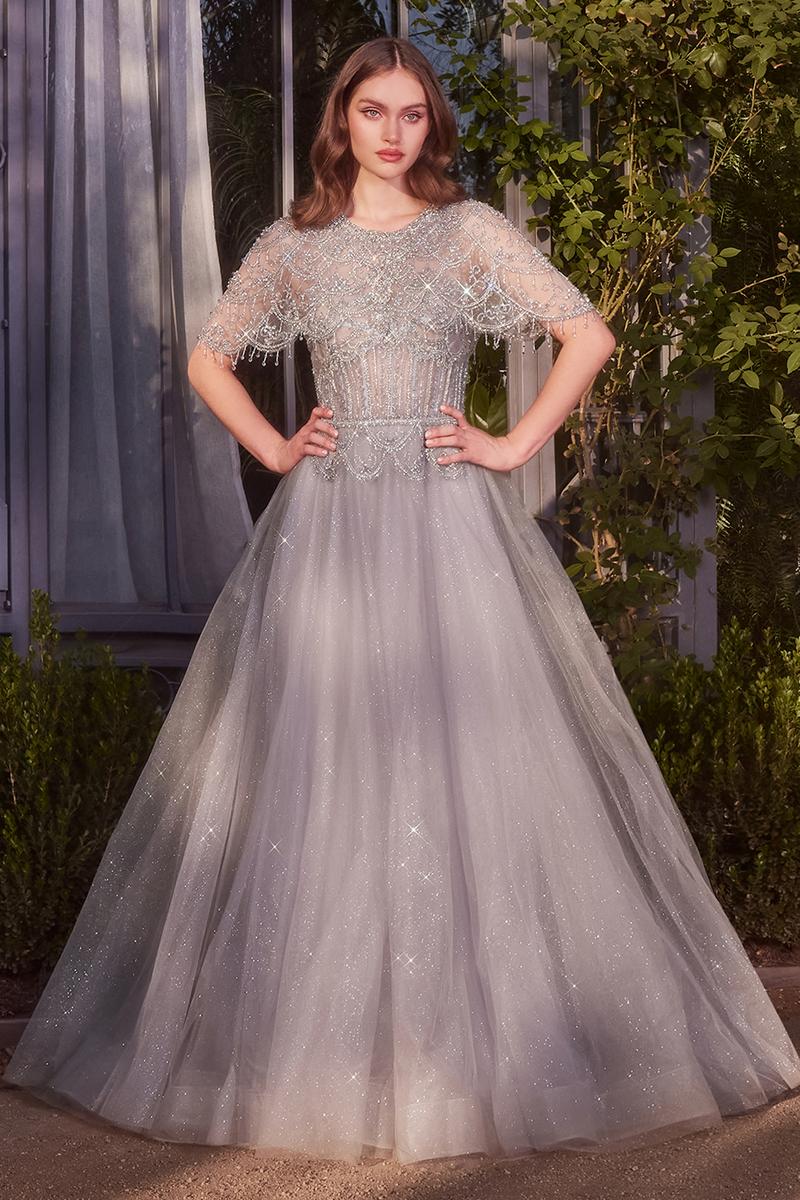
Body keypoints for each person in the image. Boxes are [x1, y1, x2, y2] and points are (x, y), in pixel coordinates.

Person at [5, 36, 800, 1168]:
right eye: (372, 111)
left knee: (464, 764)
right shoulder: (296, 245)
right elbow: (209, 357)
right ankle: (331, 1057)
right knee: (320, 767)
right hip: (327, 532)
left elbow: (590, 333)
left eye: (411, 113)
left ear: (431, 124)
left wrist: (513, 445)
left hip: (446, 526)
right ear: (341, 119)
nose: (391, 132)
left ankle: (466, 1058)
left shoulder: (464, 232)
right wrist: (274, 449)